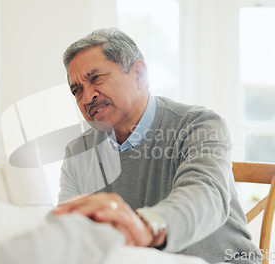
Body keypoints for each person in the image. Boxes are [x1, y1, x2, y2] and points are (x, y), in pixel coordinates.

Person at [53, 28, 262, 264]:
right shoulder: (78, 152)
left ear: (139, 74)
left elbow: (204, 195)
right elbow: (69, 230)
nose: (86, 97)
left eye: (96, 78)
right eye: (76, 90)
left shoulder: (200, 124)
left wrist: (146, 226)